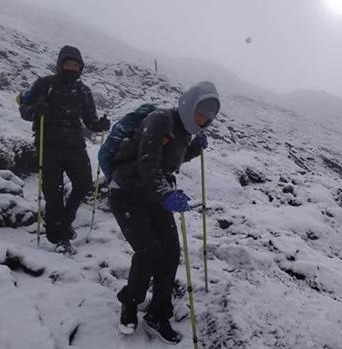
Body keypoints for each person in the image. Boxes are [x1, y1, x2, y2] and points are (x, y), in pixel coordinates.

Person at [109, 81, 219, 343]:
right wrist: (167, 194)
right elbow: (149, 162)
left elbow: (170, 159)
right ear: (189, 104)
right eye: (200, 112)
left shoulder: (183, 131)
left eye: (208, 116)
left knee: (170, 252)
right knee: (149, 251)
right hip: (126, 192)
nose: (203, 119)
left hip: (154, 194)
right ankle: (130, 304)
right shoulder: (159, 120)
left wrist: (194, 148)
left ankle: (158, 314)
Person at [19, 45, 110, 253]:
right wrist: (35, 109)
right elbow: (24, 110)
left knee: (85, 182)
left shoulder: (83, 90)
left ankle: (65, 222)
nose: (72, 68)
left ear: (81, 68)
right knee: (53, 192)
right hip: (48, 145)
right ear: (60, 64)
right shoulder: (44, 84)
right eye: (68, 64)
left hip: (75, 144)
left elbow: (90, 120)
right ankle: (57, 235)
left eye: (76, 65)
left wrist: (100, 125)